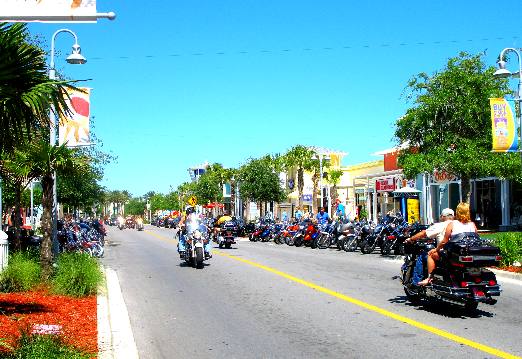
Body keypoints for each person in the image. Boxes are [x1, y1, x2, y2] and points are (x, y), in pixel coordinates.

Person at [418, 203, 476, 286]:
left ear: (457, 212)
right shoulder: (472, 225)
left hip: (454, 254)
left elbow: (444, 241)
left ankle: (430, 278)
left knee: (430, 254)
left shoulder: (453, 224)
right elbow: (476, 238)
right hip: (468, 253)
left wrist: (436, 249)